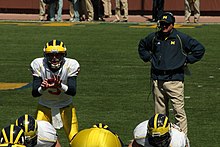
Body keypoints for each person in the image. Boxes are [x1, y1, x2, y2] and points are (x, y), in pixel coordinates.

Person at [138, 12, 205, 135]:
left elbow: (199, 49)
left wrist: (186, 60)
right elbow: (142, 45)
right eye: (162, 24)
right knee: (160, 114)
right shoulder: (154, 37)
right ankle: (162, 137)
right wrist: (148, 57)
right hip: (157, 80)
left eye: (167, 24)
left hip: (175, 80)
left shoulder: (181, 38)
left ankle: (183, 139)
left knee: (179, 112)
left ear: (172, 25)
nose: (164, 27)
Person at [30, 40, 80, 144]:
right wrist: (43, 88)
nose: (54, 58)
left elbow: (72, 91)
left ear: (64, 55)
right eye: (51, 55)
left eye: (58, 55)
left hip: (66, 107)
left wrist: (60, 86)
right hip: (44, 108)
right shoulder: (38, 64)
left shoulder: (71, 65)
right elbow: (35, 93)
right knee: (37, 140)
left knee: (75, 141)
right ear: (45, 55)